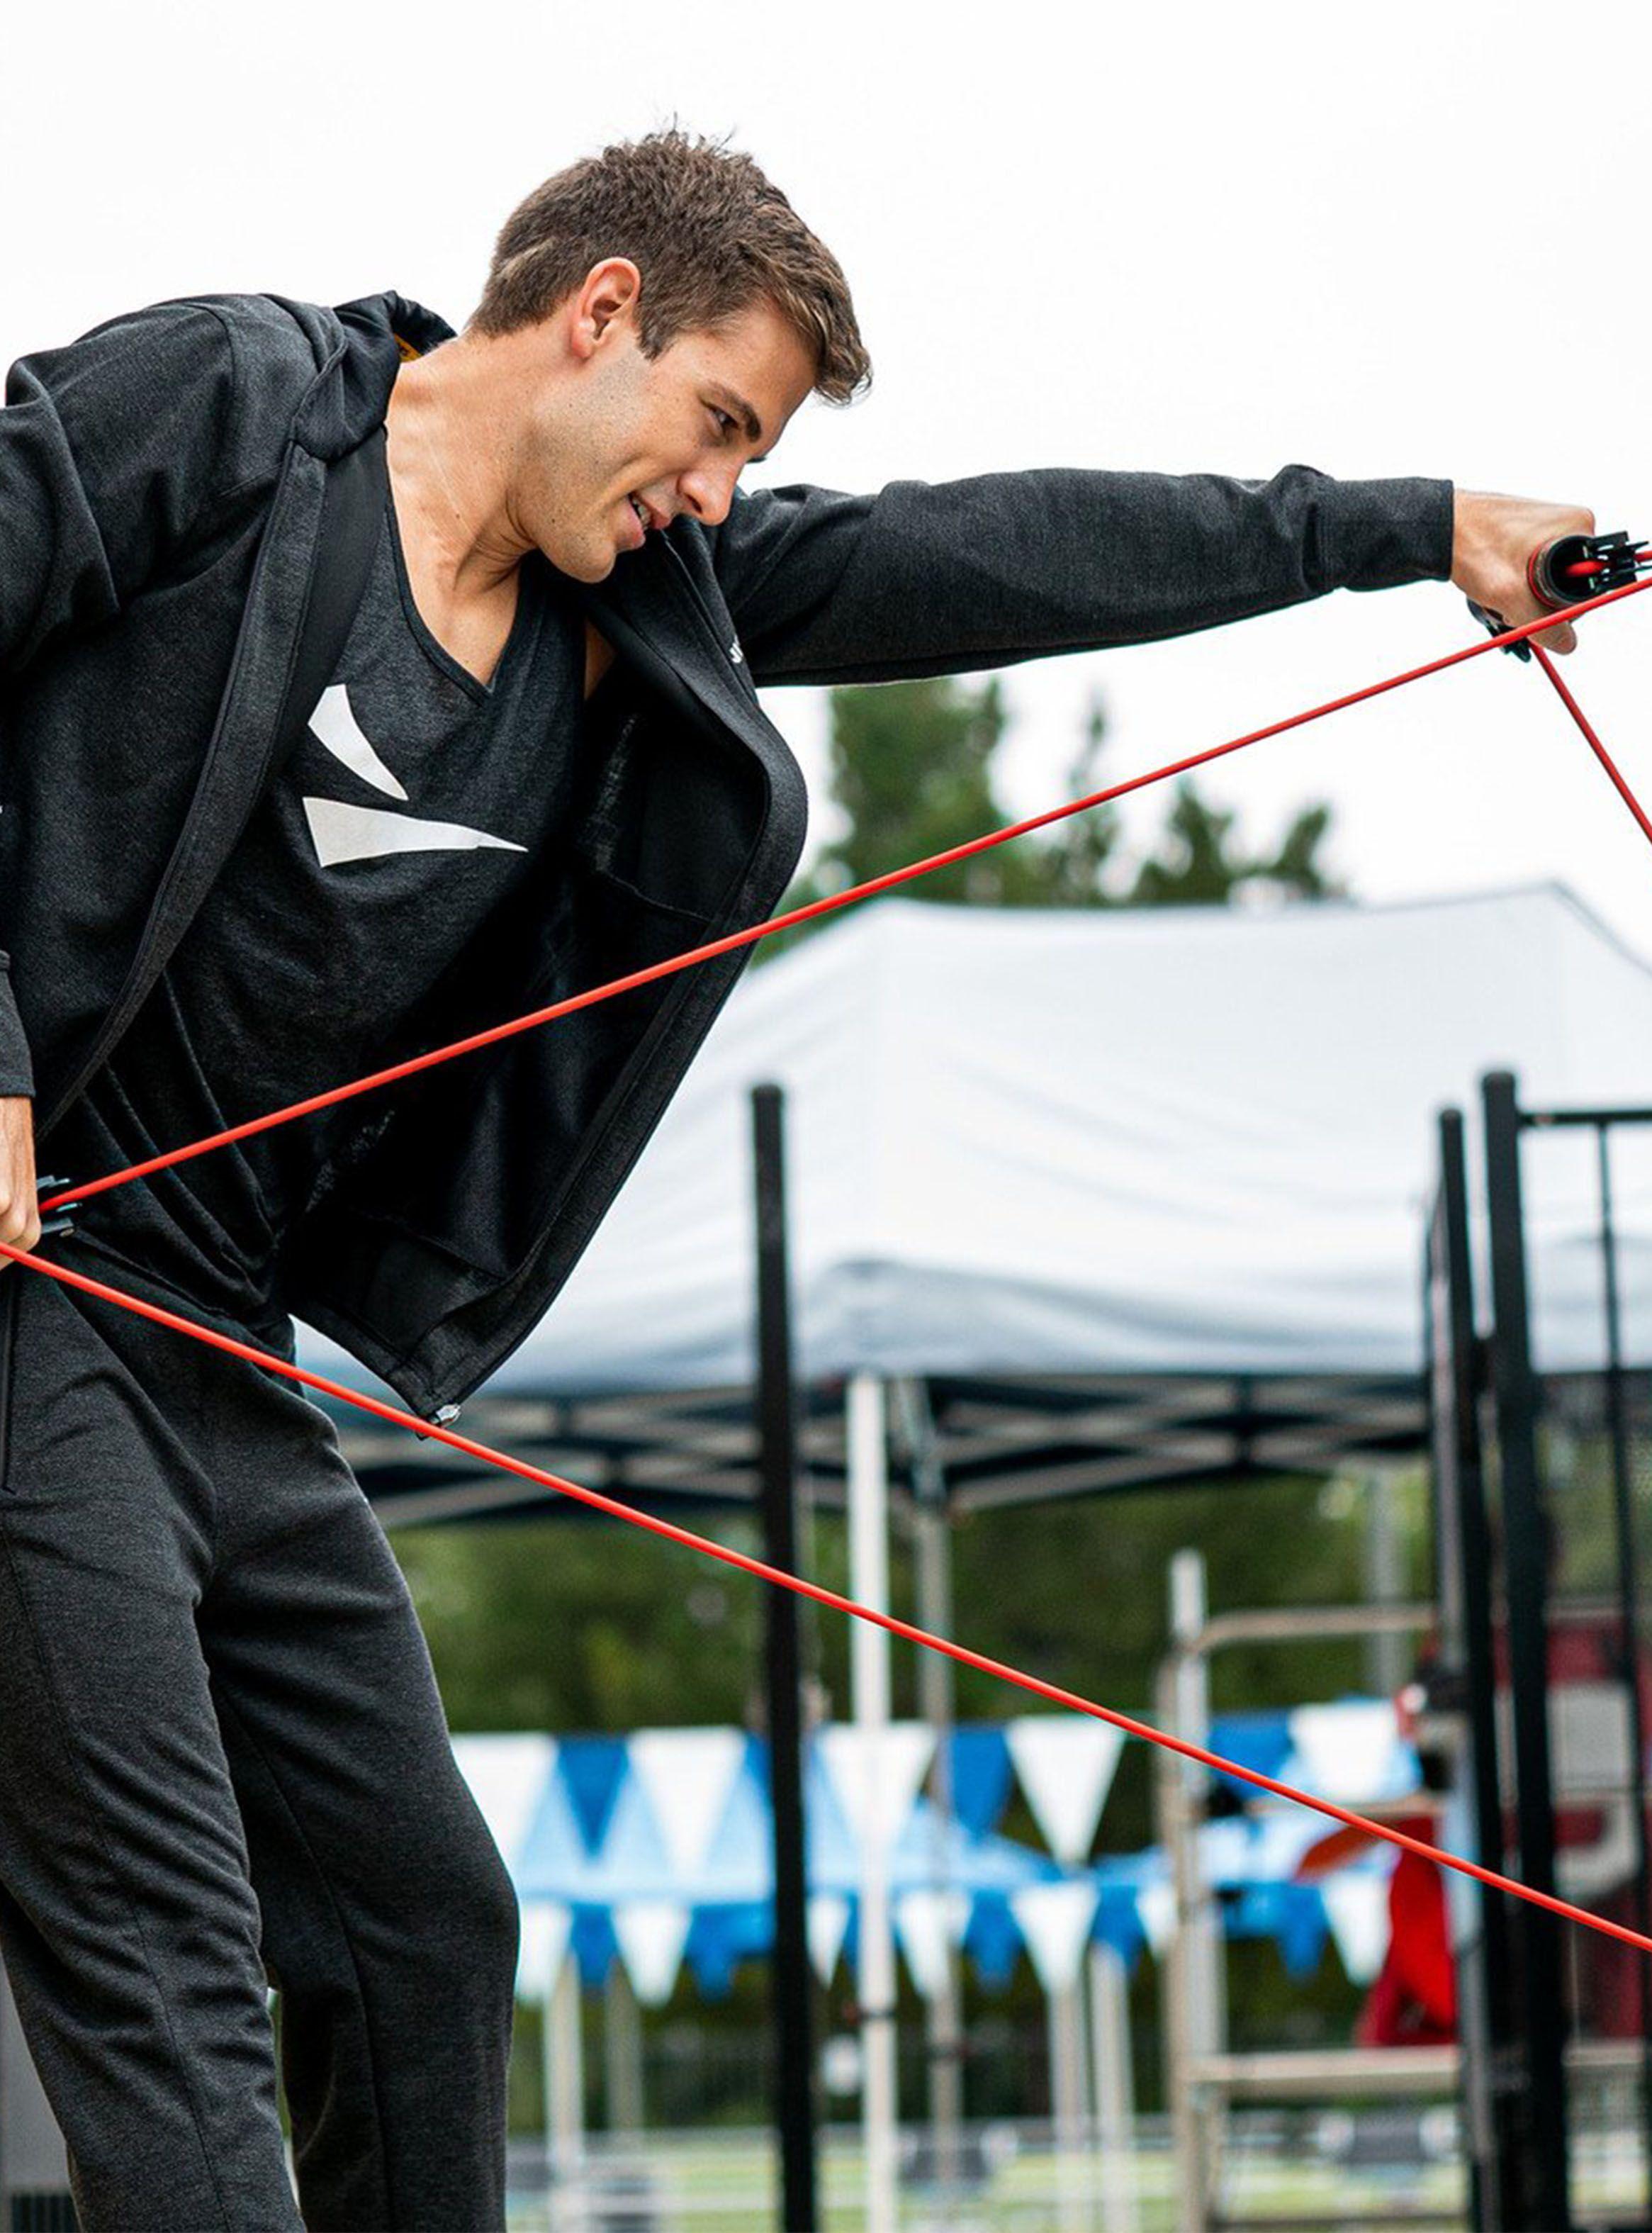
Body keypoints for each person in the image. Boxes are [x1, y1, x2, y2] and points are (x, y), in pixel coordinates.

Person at [0, 126, 1591, 2232]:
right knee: (178, 1989)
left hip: (219, 1348)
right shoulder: (229, 409)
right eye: (717, 418)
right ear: (597, 317)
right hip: (34, 1304)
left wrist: (1413, 530)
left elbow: (989, 551)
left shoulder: (634, 606)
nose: (721, 490)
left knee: (425, 1932)